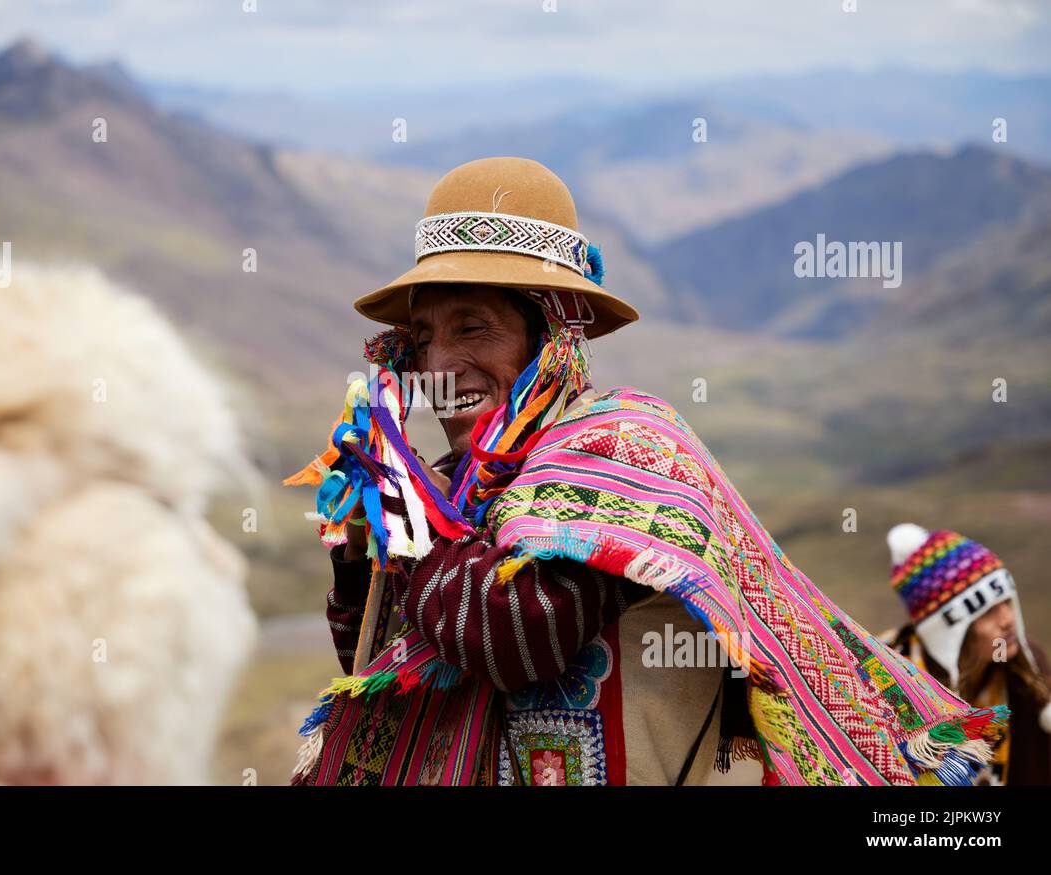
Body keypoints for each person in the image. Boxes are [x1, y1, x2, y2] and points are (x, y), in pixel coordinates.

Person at [287, 156, 1004, 786]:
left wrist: (407, 517)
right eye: (421, 339)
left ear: (552, 335)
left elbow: (517, 636)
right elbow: (386, 664)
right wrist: (360, 556)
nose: (439, 366)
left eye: (473, 327)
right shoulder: (450, 487)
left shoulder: (624, 449)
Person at [885, 523, 1051, 785]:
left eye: (1006, 600)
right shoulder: (890, 684)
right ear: (947, 632)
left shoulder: (1028, 670)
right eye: (986, 611)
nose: (1007, 619)